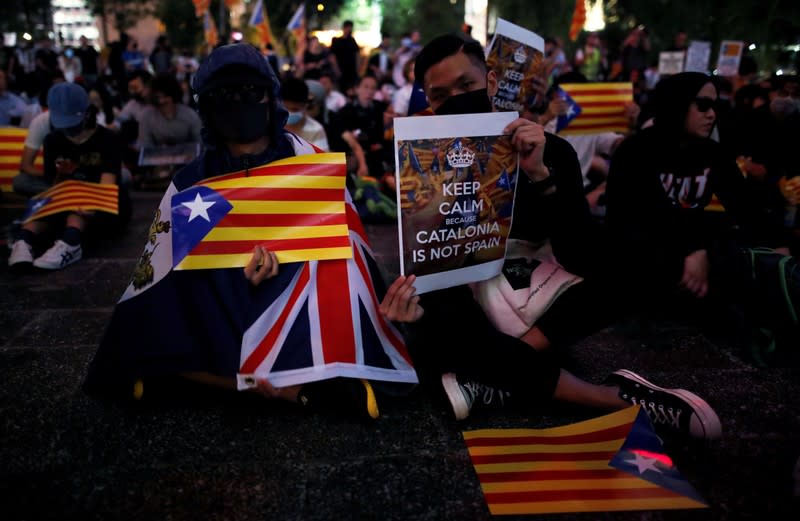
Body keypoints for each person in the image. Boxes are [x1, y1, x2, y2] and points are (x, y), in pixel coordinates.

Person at [378, 35, 721, 440]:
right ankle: (614, 399)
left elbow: (581, 252)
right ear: (429, 102)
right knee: (432, 304)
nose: (456, 98)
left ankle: (494, 372)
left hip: (543, 291)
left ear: (489, 81)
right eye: (441, 94)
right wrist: (410, 308)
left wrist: (539, 174)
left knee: (628, 264)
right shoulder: (423, 161)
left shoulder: (551, 150)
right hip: (472, 297)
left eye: (466, 86)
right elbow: (427, 260)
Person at [84, 44, 415, 419]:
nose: (238, 102)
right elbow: (158, 272)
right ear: (206, 105)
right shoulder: (191, 182)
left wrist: (288, 268)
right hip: (220, 300)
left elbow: (347, 248)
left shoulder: (309, 165)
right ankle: (288, 387)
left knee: (335, 265)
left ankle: (238, 377)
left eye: (250, 92)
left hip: (294, 292)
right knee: (162, 302)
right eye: (224, 94)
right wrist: (233, 277)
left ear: (270, 98)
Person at [605, 72, 796, 350]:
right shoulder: (636, 150)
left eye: (715, 107)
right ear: (677, 104)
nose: (711, 115)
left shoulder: (713, 154)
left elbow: (745, 208)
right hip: (642, 255)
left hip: (695, 253)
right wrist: (697, 250)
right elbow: (637, 221)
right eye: (703, 105)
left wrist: (779, 243)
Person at [8, 83, 130, 270]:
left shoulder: (108, 139)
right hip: (67, 195)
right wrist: (61, 175)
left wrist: (88, 201)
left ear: (87, 112)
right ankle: (24, 241)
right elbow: (54, 186)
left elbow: (107, 185)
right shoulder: (53, 140)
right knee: (47, 205)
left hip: (102, 201)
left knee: (77, 206)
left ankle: (70, 243)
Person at [137, 73, 202, 147]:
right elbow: (145, 146)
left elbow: (199, 144)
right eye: (158, 98)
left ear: (173, 96)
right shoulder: (146, 116)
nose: (162, 101)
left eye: (165, 97)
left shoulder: (190, 115)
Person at [281, 76, 329, 151]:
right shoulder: (270, 128)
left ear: (305, 106)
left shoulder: (315, 130)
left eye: (294, 109)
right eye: (286, 108)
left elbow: (322, 161)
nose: (289, 113)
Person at [330, 20, 361, 92]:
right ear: (344, 28)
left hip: (351, 71)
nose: (350, 30)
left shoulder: (352, 41)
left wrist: (358, 69)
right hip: (341, 70)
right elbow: (332, 56)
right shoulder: (336, 40)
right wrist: (336, 69)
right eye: (348, 28)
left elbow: (357, 55)